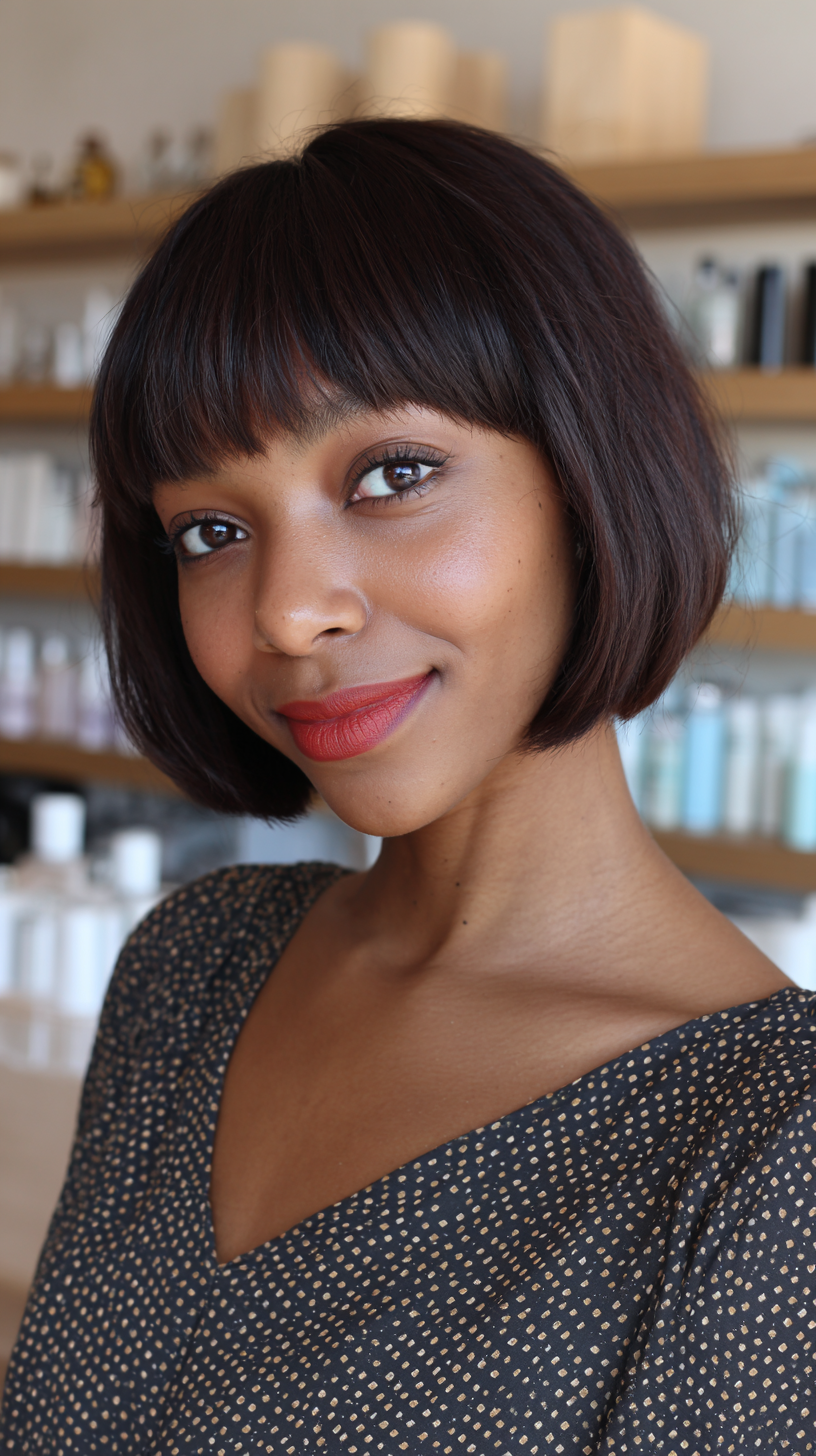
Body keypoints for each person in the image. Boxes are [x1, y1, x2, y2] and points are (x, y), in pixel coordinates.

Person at [1, 119, 814, 1456]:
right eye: (212, 530)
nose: (290, 611)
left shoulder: (763, 1154)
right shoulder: (190, 969)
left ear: (591, 473)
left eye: (393, 475)